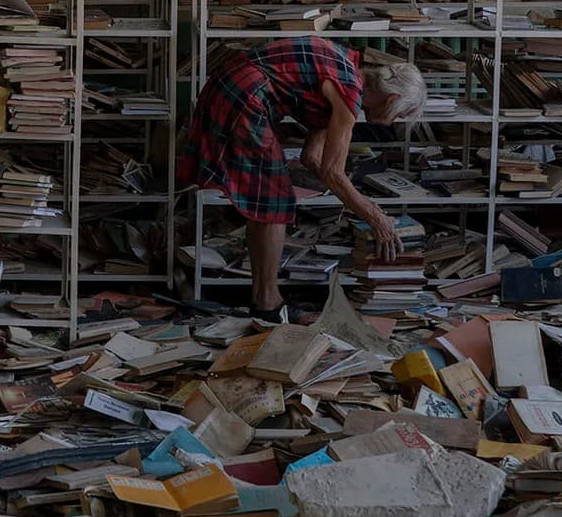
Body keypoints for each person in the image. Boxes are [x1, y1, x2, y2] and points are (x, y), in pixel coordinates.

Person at [179, 36, 427, 324]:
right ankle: (267, 305)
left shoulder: (348, 67)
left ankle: (264, 299)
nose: (392, 124)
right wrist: (376, 218)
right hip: (244, 96)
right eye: (398, 117)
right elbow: (333, 172)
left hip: (230, 86)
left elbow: (313, 157)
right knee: (275, 202)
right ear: (392, 99)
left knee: (270, 200)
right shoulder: (348, 94)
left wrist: (345, 197)